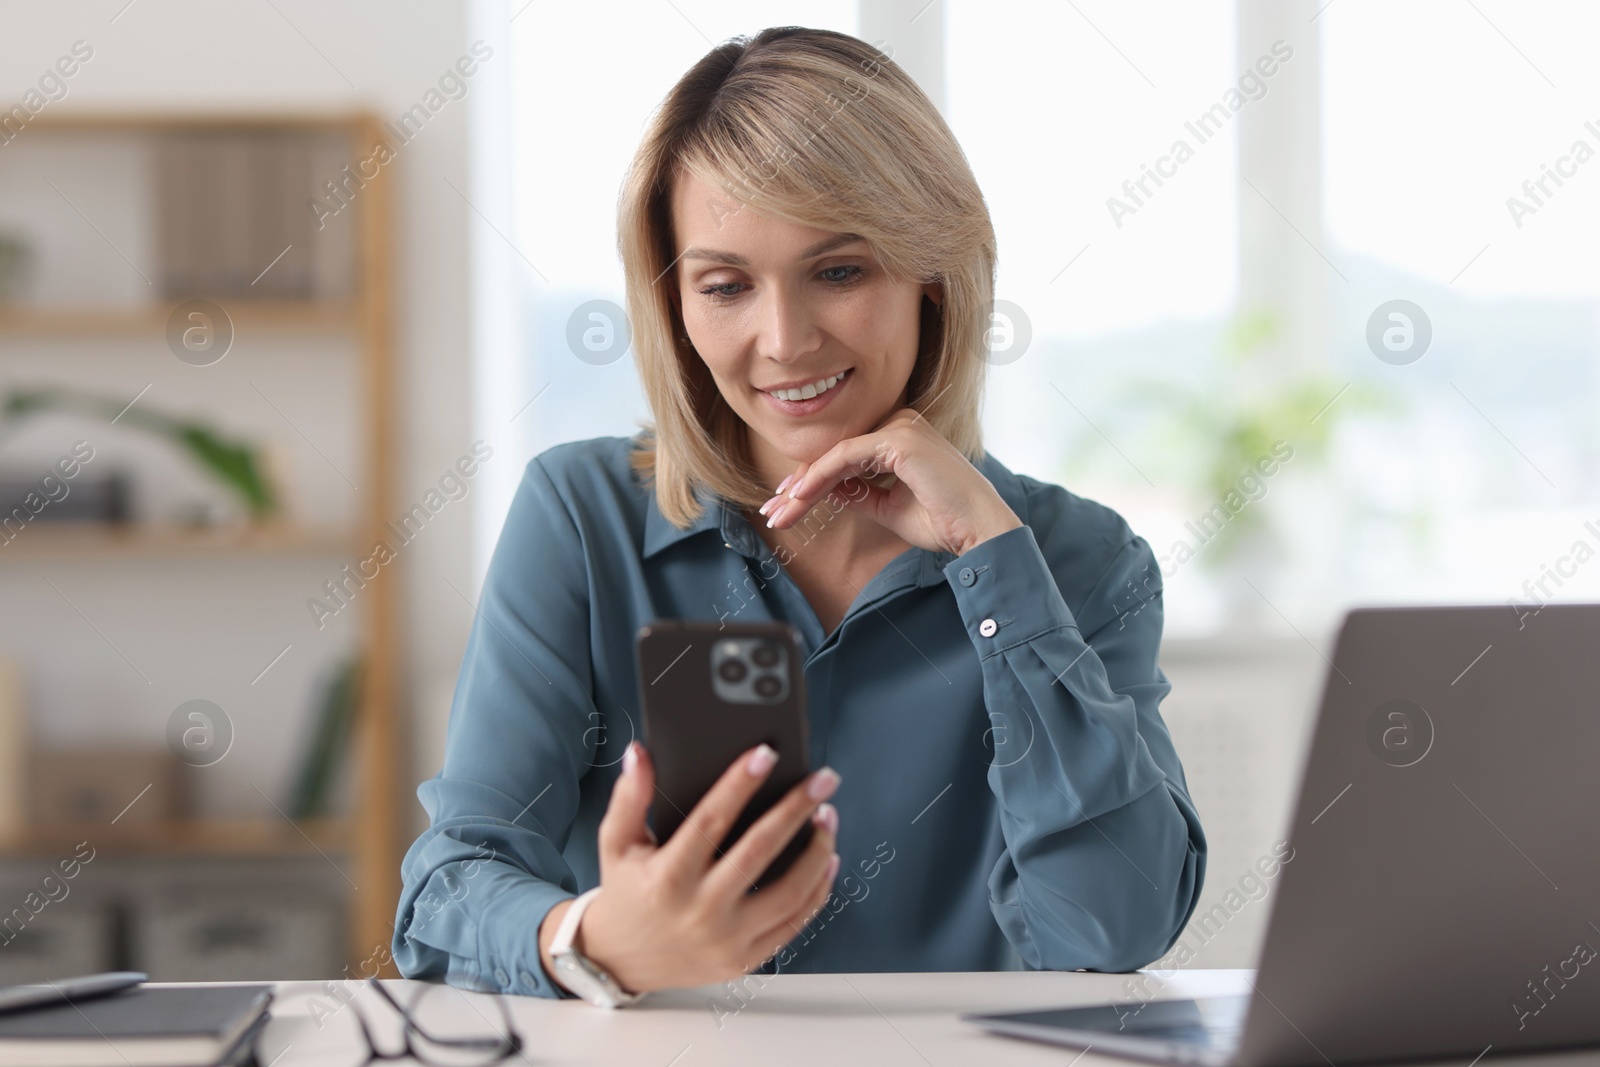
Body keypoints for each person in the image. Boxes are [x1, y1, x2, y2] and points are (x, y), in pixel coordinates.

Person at [392, 25, 1206, 1003]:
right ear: (675, 304)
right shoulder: (581, 515)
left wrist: (994, 567)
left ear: (932, 272)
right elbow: (442, 896)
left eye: (839, 270)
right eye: (725, 284)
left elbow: (1110, 929)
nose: (783, 340)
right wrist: (596, 936)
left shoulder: (1077, 560)